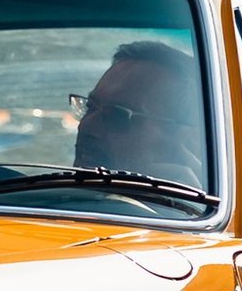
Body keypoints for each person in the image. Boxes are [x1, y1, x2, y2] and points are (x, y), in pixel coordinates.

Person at [71, 36, 207, 188]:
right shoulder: (47, 203)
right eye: (90, 106)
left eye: (116, 116)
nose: (85, 126)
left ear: (187, 142)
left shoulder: (213, 211)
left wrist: (186, 204)